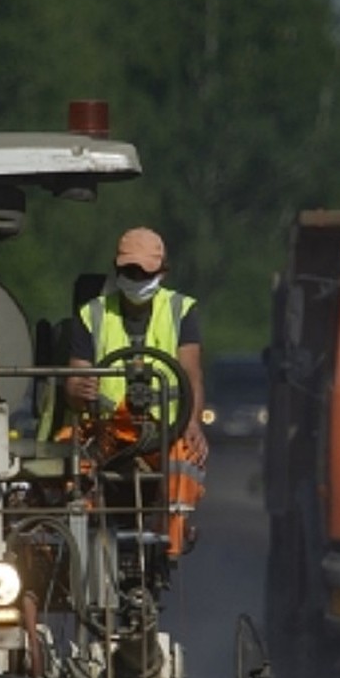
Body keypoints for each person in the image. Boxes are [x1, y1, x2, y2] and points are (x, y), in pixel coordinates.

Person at [64, 226, 208, 557]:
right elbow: (73, 379)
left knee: (185, 458)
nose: (136, 277)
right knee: (70, 459)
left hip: (164, 432)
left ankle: (169, 543)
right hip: (106, 430)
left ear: (162, 272)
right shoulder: (93, 313)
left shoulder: (180, 310)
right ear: (117, 269)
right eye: (129, 271)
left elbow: (191, 373)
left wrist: (192, 421)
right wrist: (77, 388)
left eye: (144, 271)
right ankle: (80, 545)